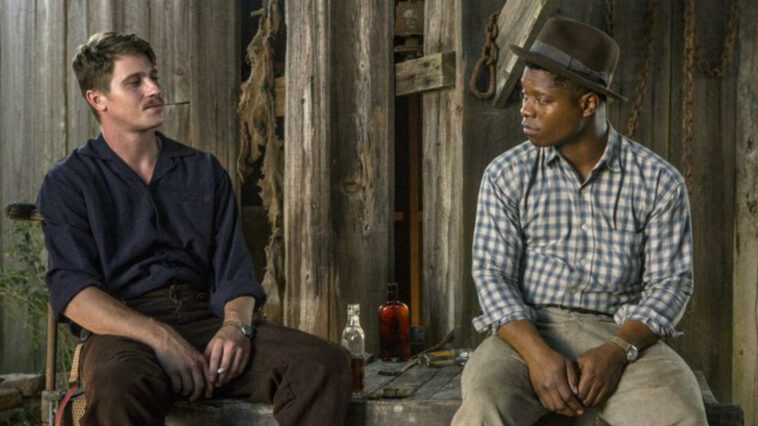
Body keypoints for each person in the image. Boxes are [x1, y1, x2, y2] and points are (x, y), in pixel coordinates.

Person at [37, 32, 351, 426]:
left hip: (207, 319)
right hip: (124, 332)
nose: (154, 89)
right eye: (135, 82)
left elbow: (234, 273)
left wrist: (235, 327)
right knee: (118, 383)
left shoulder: (203, 170)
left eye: (153, 76)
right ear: (98, 99)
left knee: (321, 363)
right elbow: (74, 293)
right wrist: (160, 337)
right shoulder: (69, 181)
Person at [451, 17, 707, 425]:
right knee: (484, 404)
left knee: (681, 414)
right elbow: (492, 274)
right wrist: (537, 355)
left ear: (588, 105)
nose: (525, 110)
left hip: (621, 334)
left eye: (542, 99)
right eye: (525, 95)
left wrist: (617, 351)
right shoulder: (506, 174)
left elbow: (671, 284)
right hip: (525, 334)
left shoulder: (659, 181)